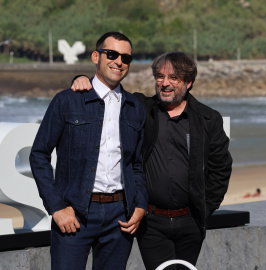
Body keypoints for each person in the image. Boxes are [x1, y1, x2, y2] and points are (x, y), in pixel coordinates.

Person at [71, 51, 233, 270]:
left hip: (191, 221)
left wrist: (204, 210)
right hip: (152, 222)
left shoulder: (208, 119)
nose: (165, 83)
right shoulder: (140, 108)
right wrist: (81, 79)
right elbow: (108, 93)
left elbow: (221, 168)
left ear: (188, 83)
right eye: (160, 76)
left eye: (173, 78)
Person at [29, 32, 147, 270]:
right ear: (96, 56)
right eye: (111, 54)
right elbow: (39, 154)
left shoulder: (136, 108)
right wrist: (56, 208)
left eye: (126, 58)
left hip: (120, 216)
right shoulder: (67, 101)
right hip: (75, 213)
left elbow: (137, 164)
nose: (119, 62)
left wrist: (141, 205)